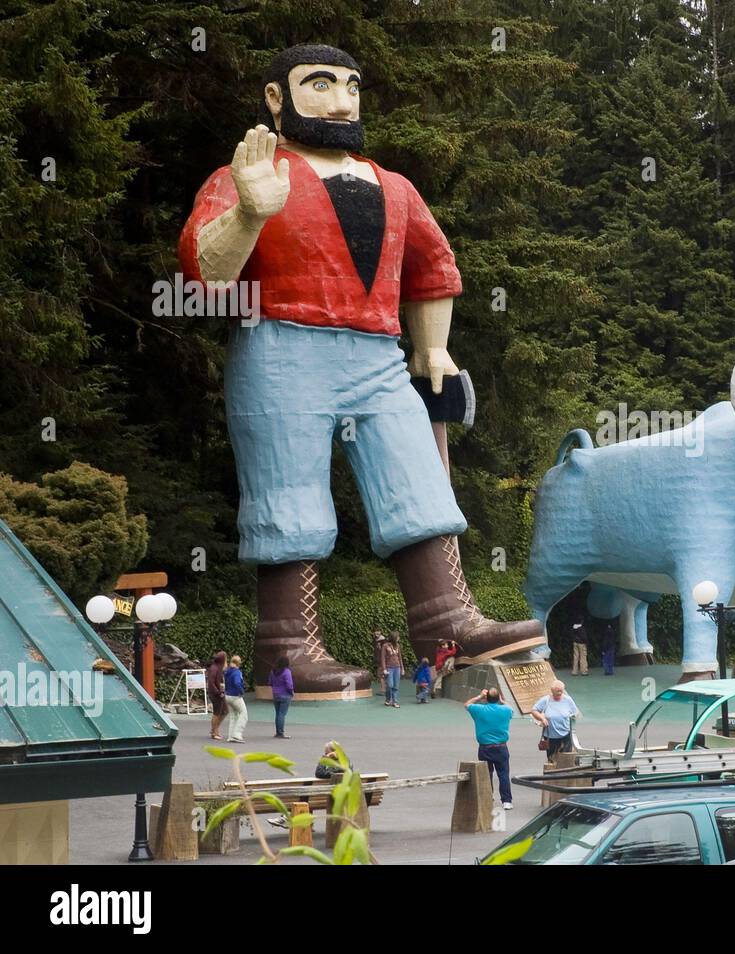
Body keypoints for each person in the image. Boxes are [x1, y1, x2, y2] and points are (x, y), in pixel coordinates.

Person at [177, 44, 545, 700]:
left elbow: (433, 268)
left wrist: (433, 349)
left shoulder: (394, 186)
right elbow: (205, 277)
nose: (341, 99)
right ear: (275, 98)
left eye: (350, 84)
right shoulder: (246, 175)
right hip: (280, 345)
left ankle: (447, 623)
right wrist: (249, 214)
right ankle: (286, 647)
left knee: (416, 477)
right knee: (288, 493)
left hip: (378, 354)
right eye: (318, 84)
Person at [465, 688, 513, 809]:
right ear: (498, 699)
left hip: (485, 747)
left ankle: (488, 796)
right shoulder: (506, 710)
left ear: (486, 698)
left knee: (487, 773)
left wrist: (479, 696)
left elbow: (467, 704)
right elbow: (511, 708)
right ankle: (506, 801)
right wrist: (503, 701)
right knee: (503, 774)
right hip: (501, 747)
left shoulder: (479, 709)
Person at [532, 680, 582, 760]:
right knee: (552, 759)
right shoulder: (545, 700)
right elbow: (534, 710)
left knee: (566, 759)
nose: (559, 693)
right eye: (557, 691)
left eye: (561, 691)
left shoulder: (568, 700)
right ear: (552, 691)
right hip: (550, 736)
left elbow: (576, 713)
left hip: (565, 735)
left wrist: (573, 716)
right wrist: (542, 718)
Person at [225, 654, 248, 743]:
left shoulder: (227, 671)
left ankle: (231, 736)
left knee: (233, 716)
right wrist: (241, 692)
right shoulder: (237, 672)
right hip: (235, 696)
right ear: (239, 663)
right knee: (244, 714)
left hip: (227, 695)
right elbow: (237, 683)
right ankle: (237, 734)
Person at [270, 655, 294, 738]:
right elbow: (289, 685)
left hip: (275, 694)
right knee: (282, 714)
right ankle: (280, 732)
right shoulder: (287, 672)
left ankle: (278, 732)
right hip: (285, 695)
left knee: (278, 714)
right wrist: (291, 692)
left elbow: (270, 682)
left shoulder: (273, 671)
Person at [207, 651, 228, 740]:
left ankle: (214, 729)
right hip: (216, 694)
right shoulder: (214, 668)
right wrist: (218, 692)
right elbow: (211, 683)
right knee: (217, 713)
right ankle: (215, 732)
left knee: (224, 711)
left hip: (219, 693)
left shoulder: (217, 667)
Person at [380, 632, 404, 708]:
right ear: (394, 638)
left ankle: (395, 702)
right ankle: (388, 699)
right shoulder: (385, 646)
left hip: (397, 667)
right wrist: (384, 669)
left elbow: (400, 658)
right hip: (389, 668)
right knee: (390, 685)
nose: (399, 638)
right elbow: (383, 658)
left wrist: (402, 668)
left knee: (396, 686)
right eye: (398, 637)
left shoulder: (398, 646)